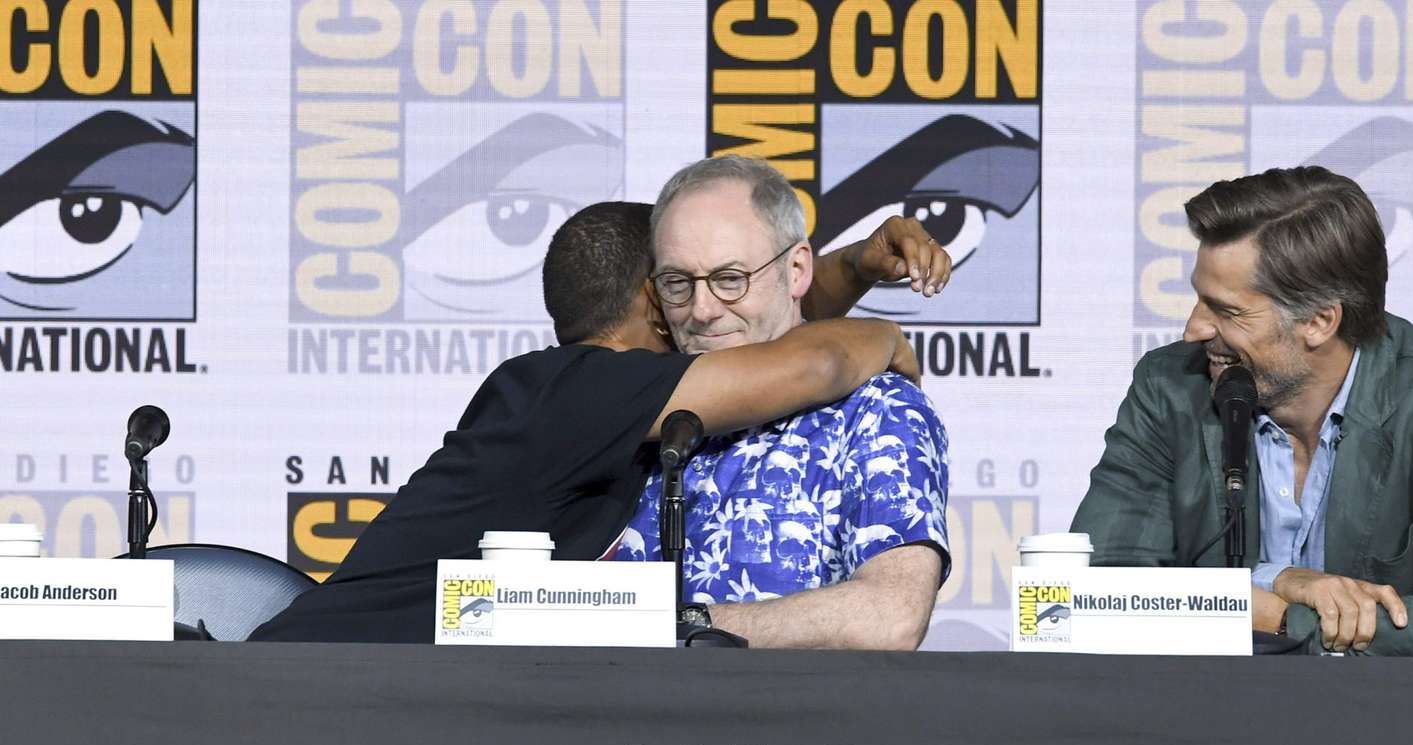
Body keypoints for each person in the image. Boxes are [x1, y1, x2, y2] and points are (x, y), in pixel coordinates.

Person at [250, 201, 924, 643]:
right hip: (311, 689)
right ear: (655, 302)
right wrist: (883, 332)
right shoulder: (589, 392)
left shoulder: (555, 392)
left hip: (336, 682)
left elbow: (758, 327)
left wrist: (851, 266)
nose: (705, 306)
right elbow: (804, 365)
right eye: (681, 283)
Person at [1071, 166, 1413, 656]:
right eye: (1198, 299)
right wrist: (1278, 580)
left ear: (1319, 321)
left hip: (1389, 723)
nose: (1193, 329)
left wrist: (1286, 621)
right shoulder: (1170, 386)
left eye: (1226, 311)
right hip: (1200, 717)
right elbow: (1096, 590)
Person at [606, 155, 954, 650]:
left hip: (791, 721)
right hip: (617, 723)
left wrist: (686, 624)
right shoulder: (630, 401)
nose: (702, 312)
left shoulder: (877, 409)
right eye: (677, 284)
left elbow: (890, 616)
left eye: (731, 279)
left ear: (796, 271)